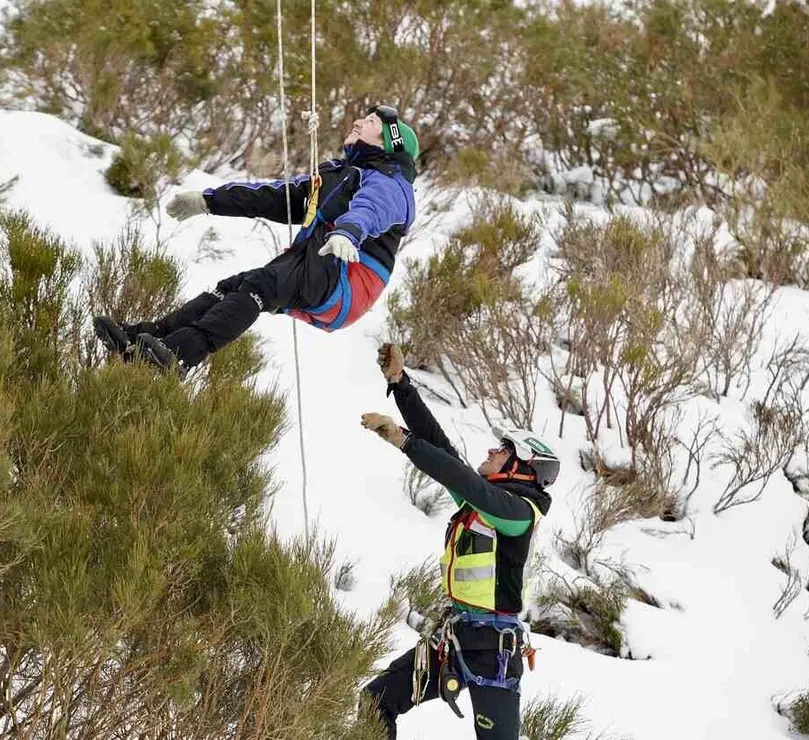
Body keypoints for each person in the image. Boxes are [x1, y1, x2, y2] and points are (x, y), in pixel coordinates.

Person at [93, 106, 419, 373]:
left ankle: (180, 355)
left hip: (350, 280)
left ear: (390, 143)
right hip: (316, 262)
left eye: (371, 121)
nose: (359, 121)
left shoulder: (391, 183)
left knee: (260, 287)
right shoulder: (339, 175)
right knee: (233, 287)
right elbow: (277, 197)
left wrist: (349, 232)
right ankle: (147, 339)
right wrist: (209, 201)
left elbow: (372, 208)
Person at [359, 344, 559, 740]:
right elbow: (443, 450)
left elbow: (460, 476)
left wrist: (403, 440)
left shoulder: (518, 513)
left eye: (502, 450)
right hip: (454, 639)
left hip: (493, 653)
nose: (490, 450)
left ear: (521, 469)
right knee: (374, 702)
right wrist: (400, 385)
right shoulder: (484, 503)